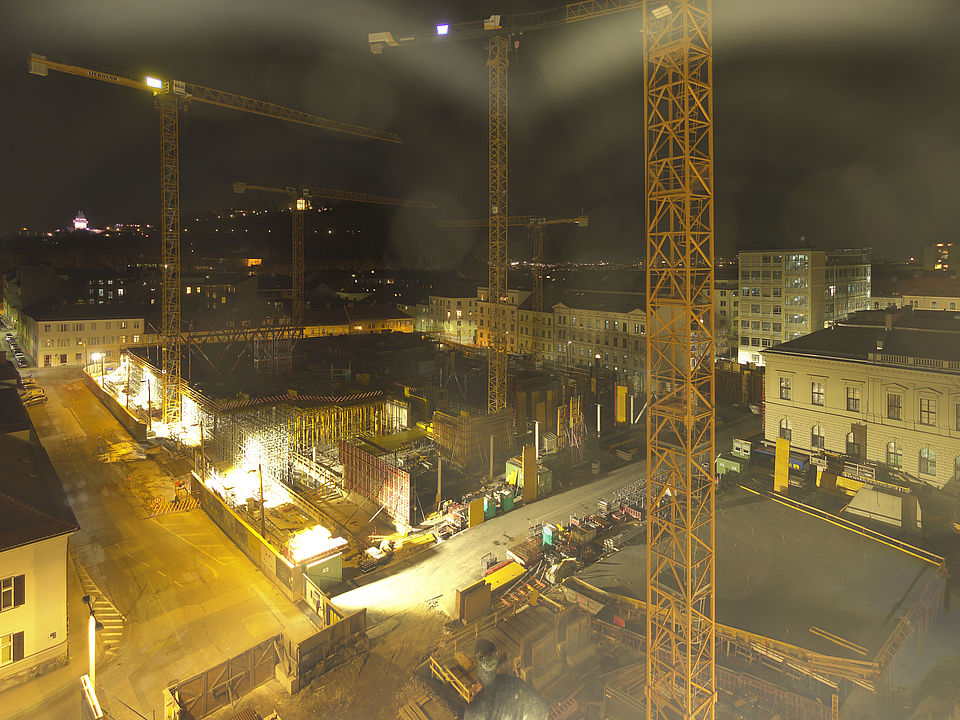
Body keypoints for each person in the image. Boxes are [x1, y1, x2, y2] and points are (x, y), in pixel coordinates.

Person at [464, 639, 548, 720]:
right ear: (497, 658)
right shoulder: (516, 683)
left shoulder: (475, 710)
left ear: (477, 664)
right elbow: (542, 708)